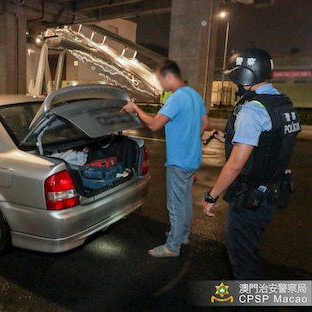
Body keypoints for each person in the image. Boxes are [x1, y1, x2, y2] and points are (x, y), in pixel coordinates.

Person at [202, 48, 300, 279]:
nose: (236, 85)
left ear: (247, 77)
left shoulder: (253, 109)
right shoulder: (281, 103)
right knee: (251, 251)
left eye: (237, 79)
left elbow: (236, 164)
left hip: (251, 198)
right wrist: (227, 138)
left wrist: (212, 196)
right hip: (272, 192)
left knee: (243, 262)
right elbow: (269, 142)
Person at [121, 60, 209, 257]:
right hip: (192, 158)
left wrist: (135, 108)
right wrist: (189, 137)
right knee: (184, 199)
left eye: (161, 80)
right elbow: (205, 122)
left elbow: (154, 125)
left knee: (176, 204)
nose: (161, 85)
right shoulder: (194, 95)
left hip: (179, 161)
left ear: (170, 77)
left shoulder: (176, 97)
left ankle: (172, 247)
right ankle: (182, 236)